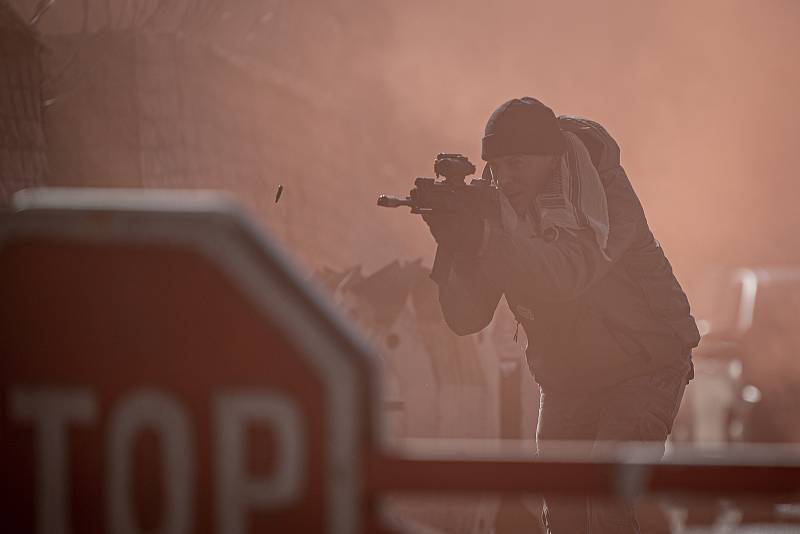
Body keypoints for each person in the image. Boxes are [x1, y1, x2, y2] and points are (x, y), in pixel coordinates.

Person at [423, 97, 700, 533]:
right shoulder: (502, 211)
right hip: (570, 375)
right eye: (497, 165)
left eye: (517, 164)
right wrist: (455, 243)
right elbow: (465, 317)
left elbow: (564, 276)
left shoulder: (605, 199)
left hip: (646, 364)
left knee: (605, 502)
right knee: (563, 513)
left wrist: (484, 239)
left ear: (550, 159)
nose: (505, 178)